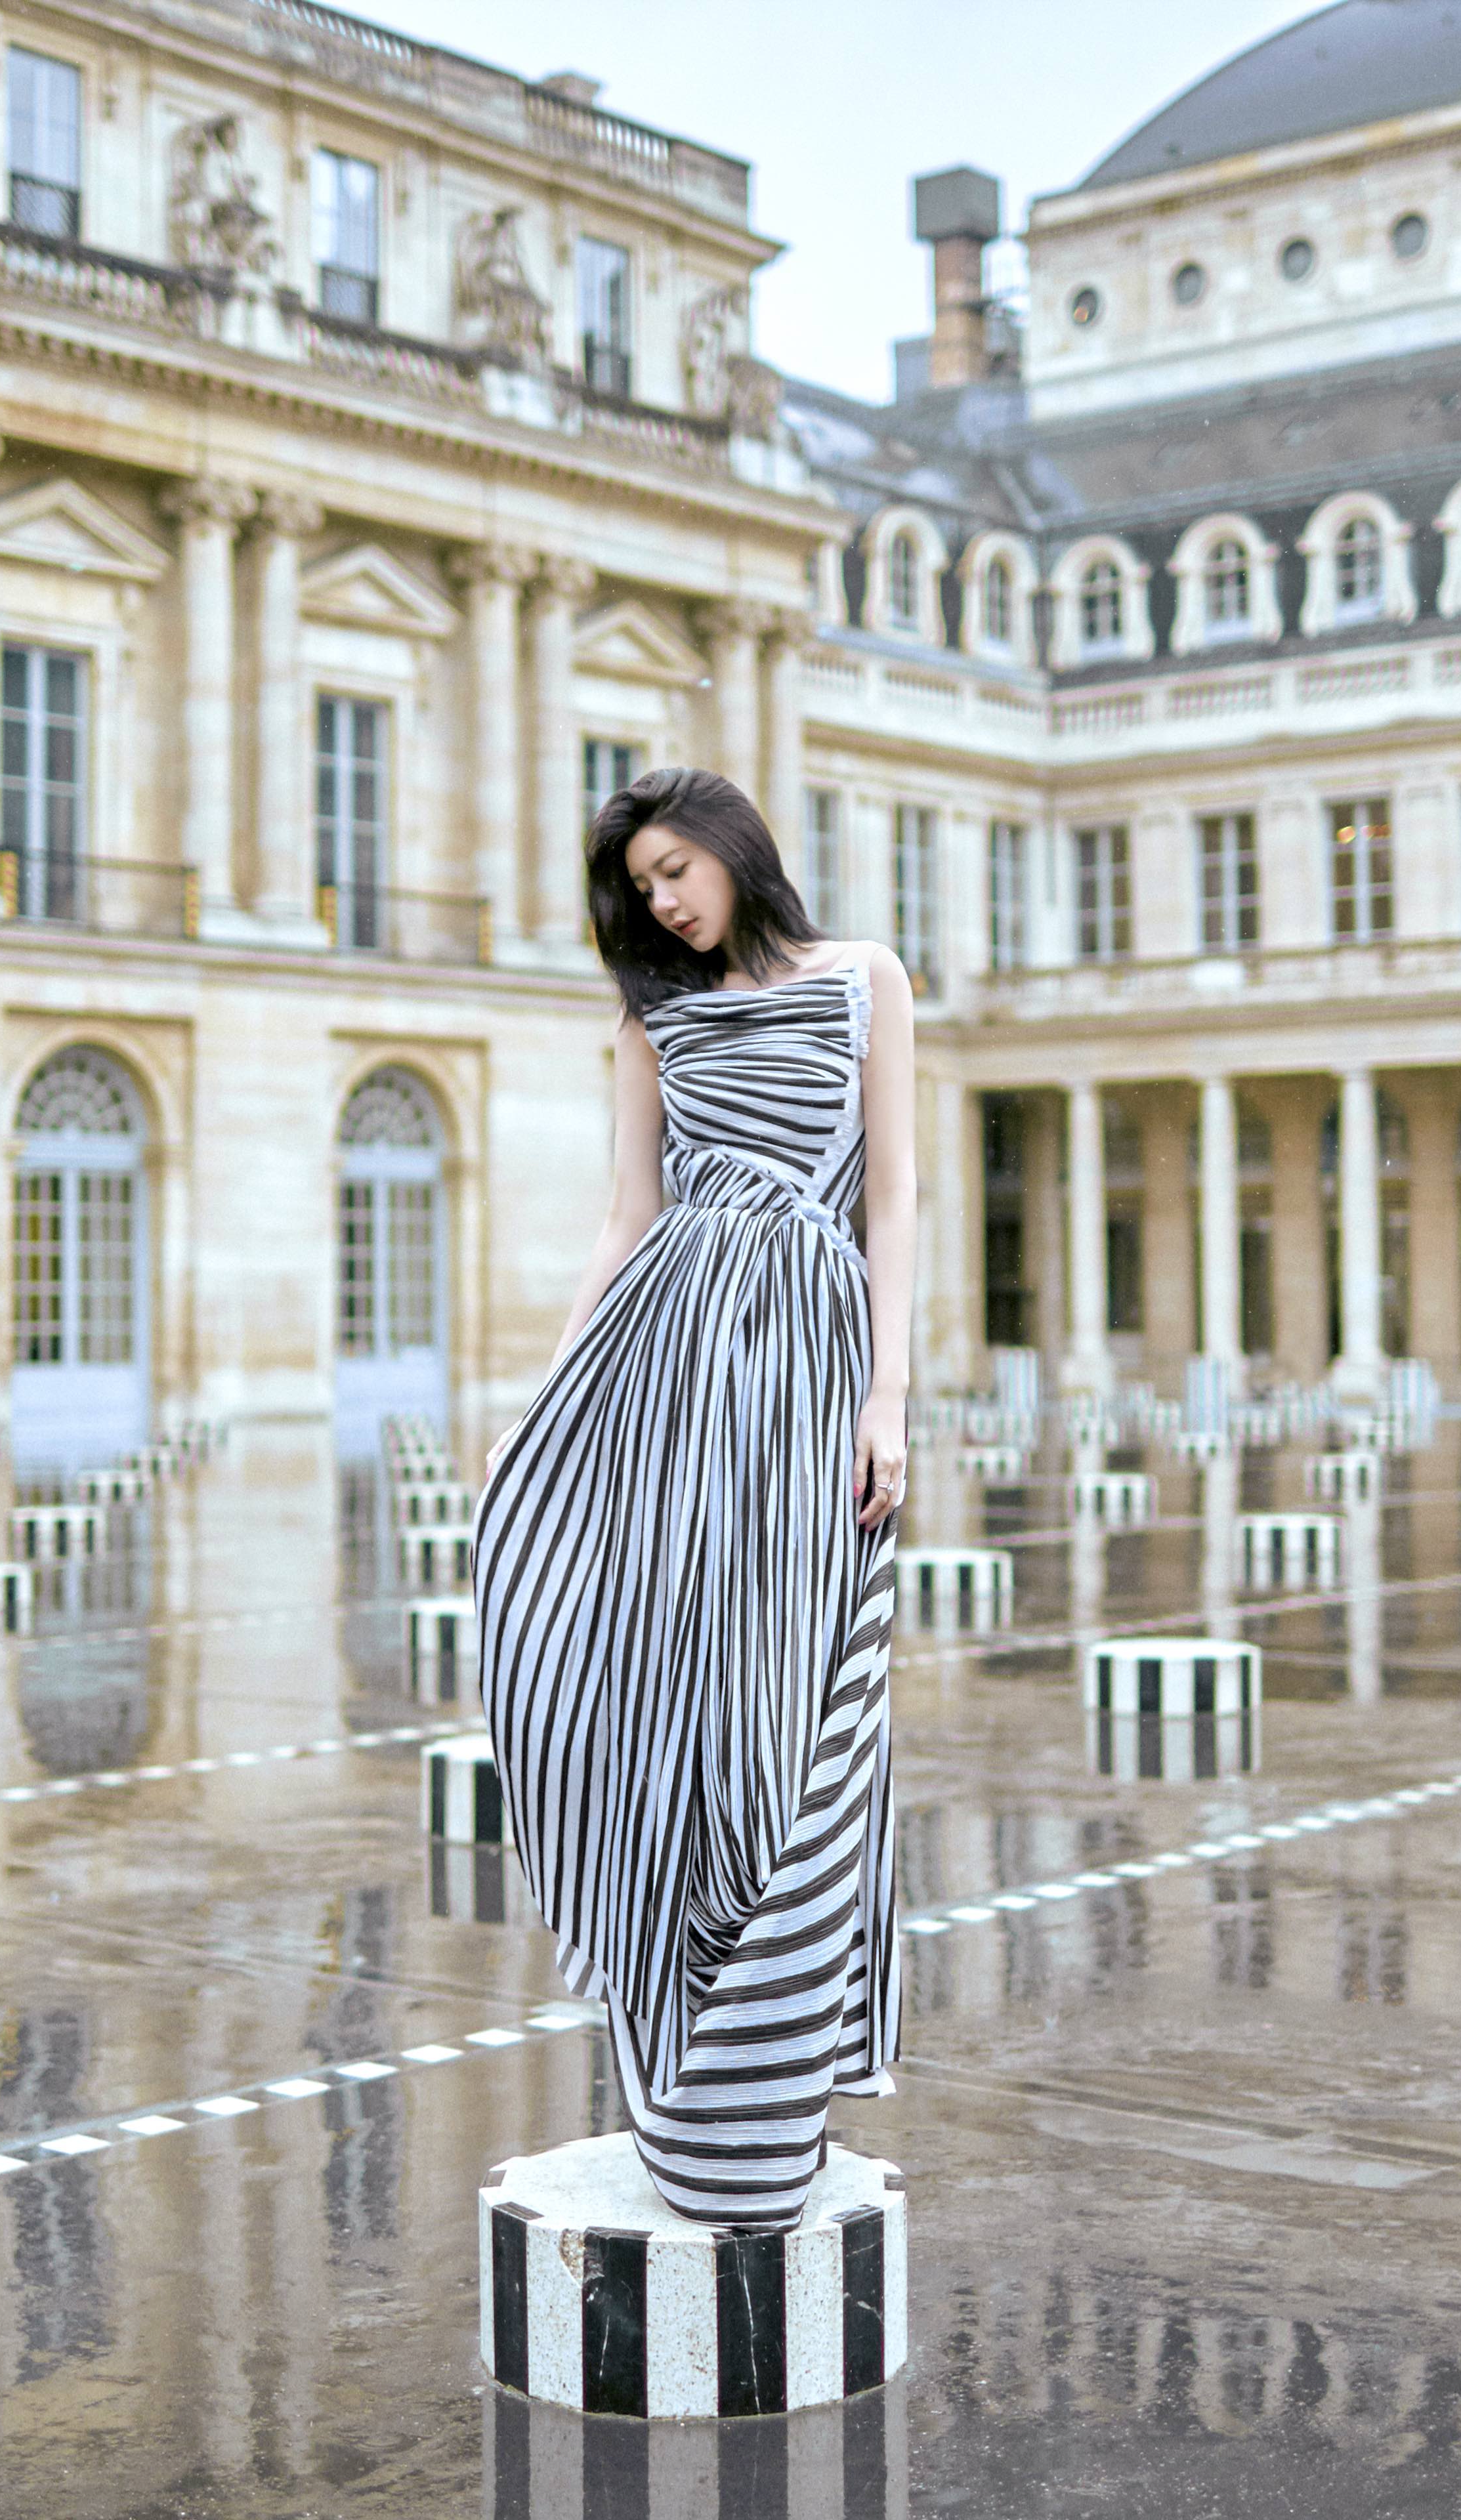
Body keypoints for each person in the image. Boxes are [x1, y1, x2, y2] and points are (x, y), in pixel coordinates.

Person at [474, 765, 914, 2228]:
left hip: (807, 1354)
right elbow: (628, 1212)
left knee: (794, 1695)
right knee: (673, 1688)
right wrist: (548, 1394)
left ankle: (774, 2057)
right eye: (641, 885)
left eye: (675, 870)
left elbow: (894, 1200)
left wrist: (890, 1396)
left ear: (734, 847)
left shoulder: (865, 981)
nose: (662, 901)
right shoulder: (652, 1018)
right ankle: (684, 2052)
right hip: (671, 1351)